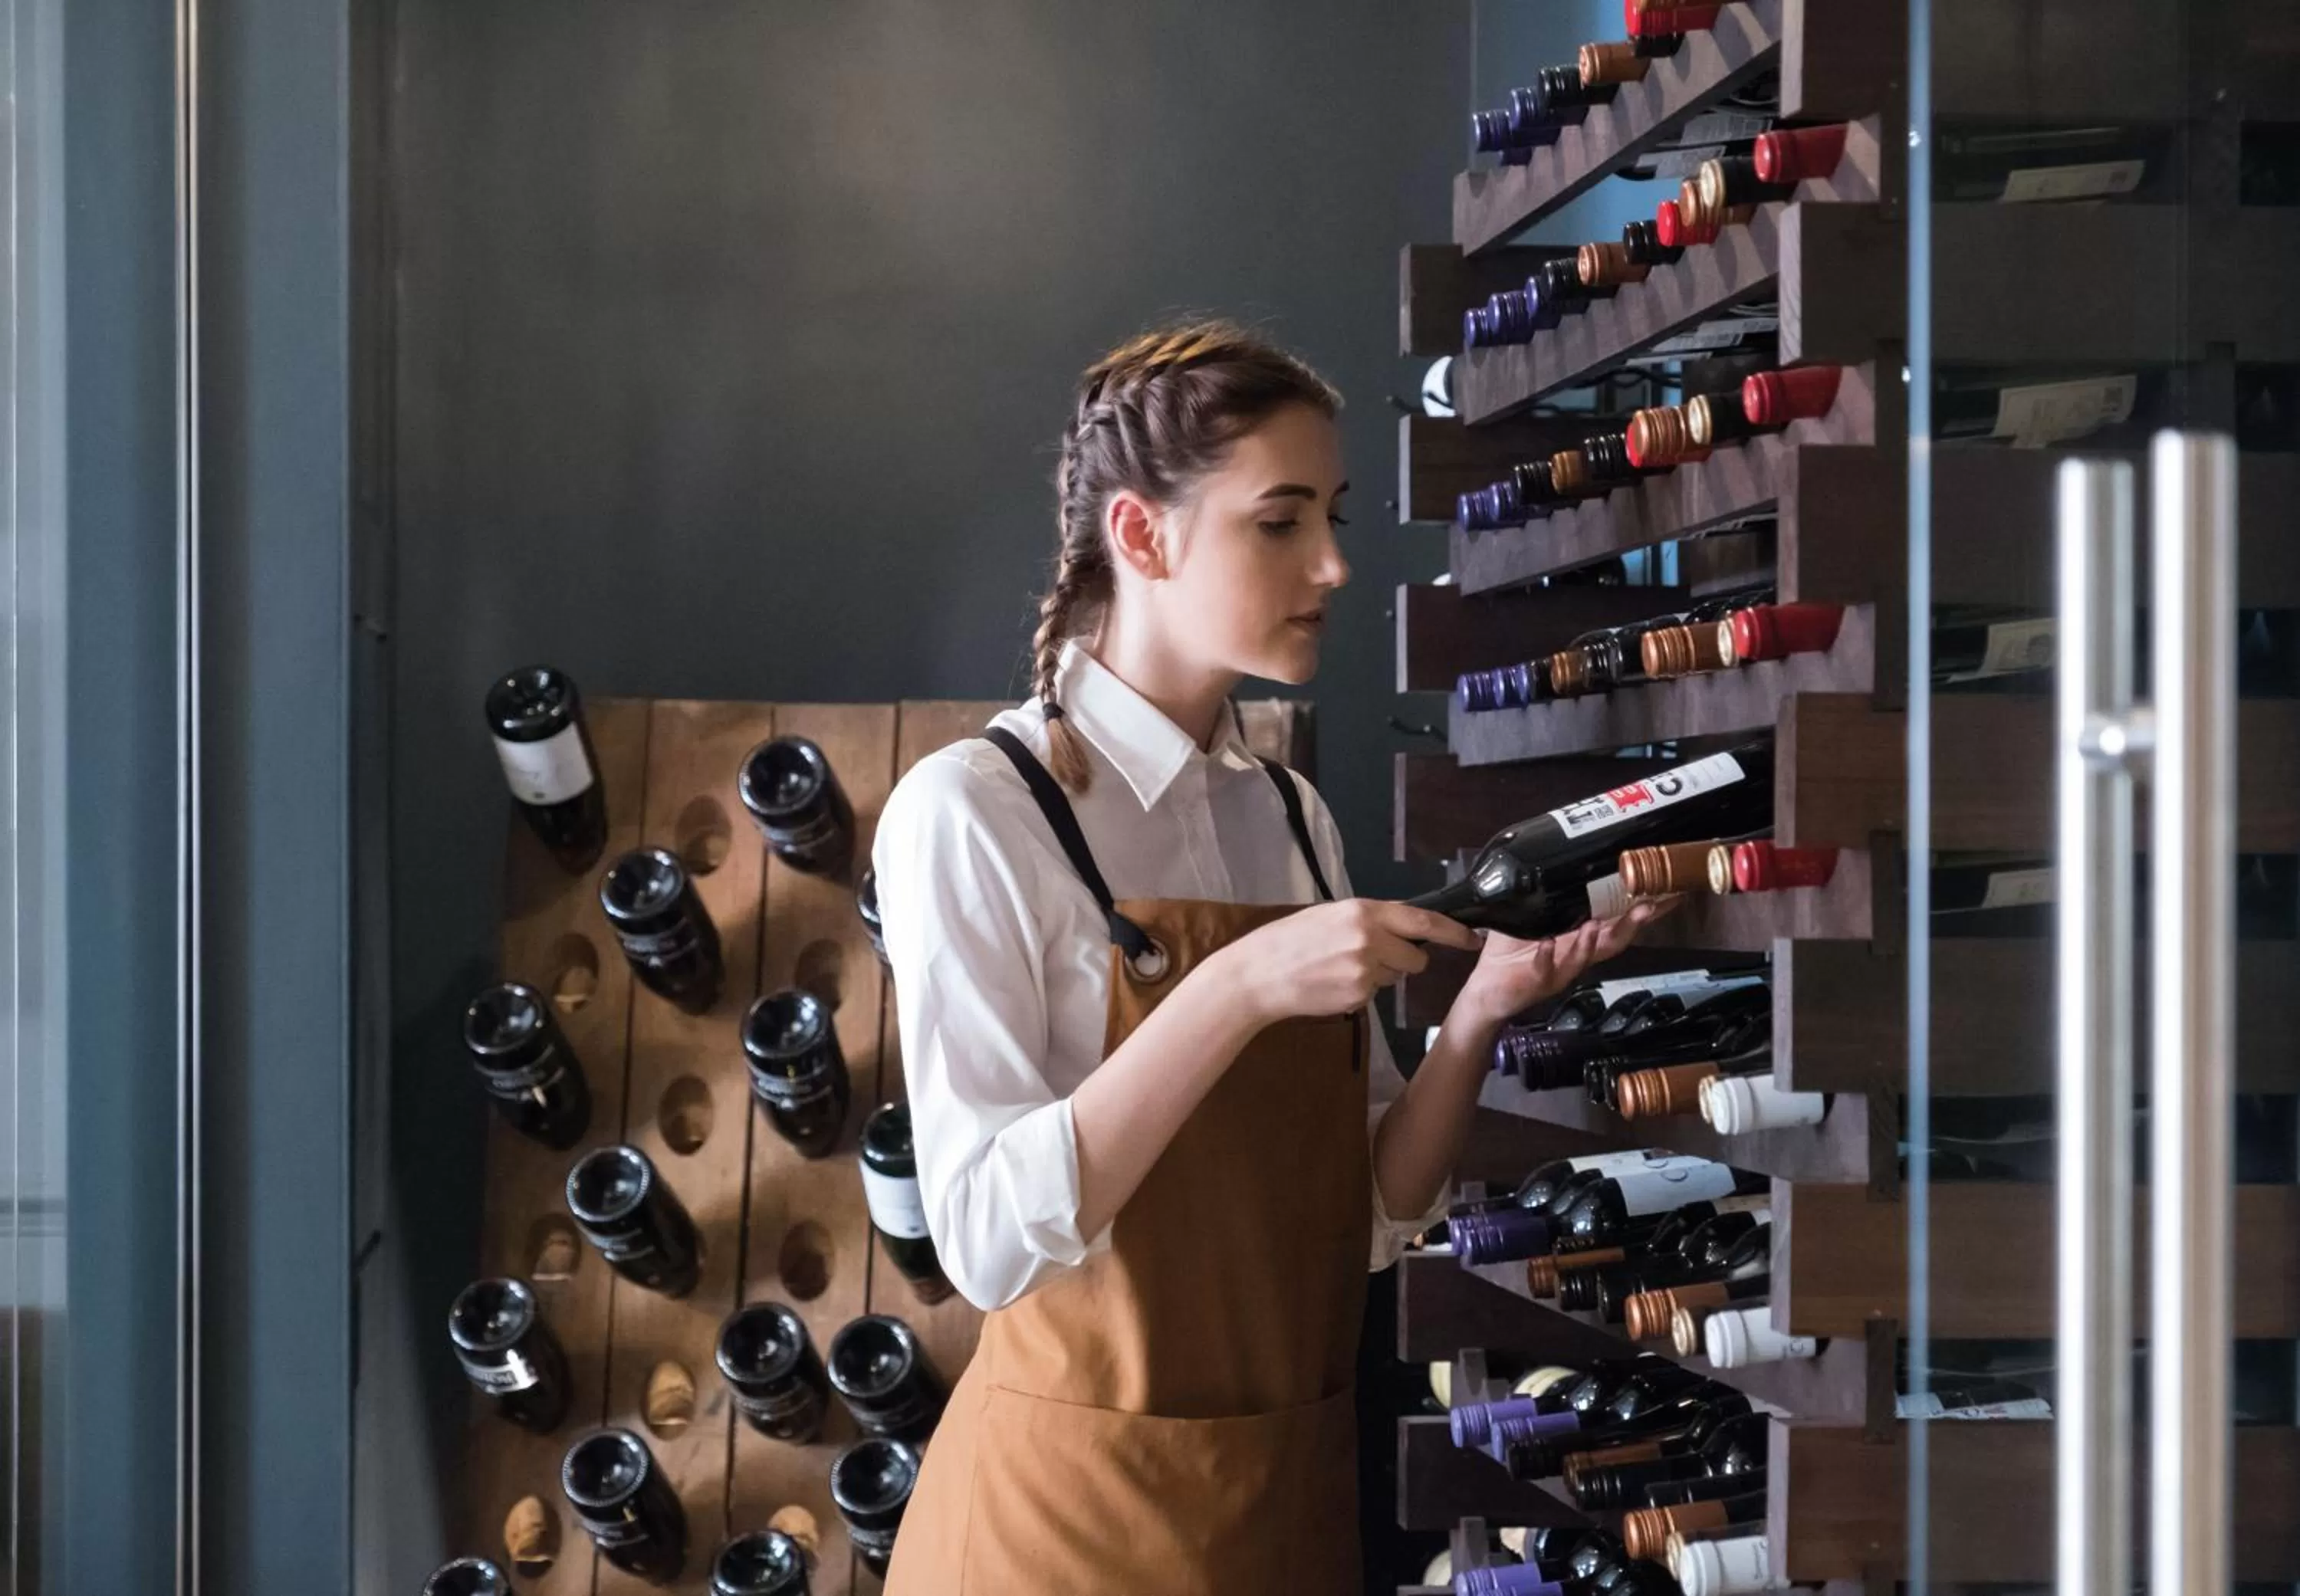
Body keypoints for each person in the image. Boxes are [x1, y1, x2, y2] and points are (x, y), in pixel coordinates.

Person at [871, 320, 1659, 1594]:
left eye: (1333, 515)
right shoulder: (975, 810)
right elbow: (979, 1238)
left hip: (1280, 1512)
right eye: (1279, 522)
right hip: (1053, 1539)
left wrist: (1480, 1016)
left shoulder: (1289, 818)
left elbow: (1373, 1214)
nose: (1336, 564)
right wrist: (1235, 986)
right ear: (1143, 536)